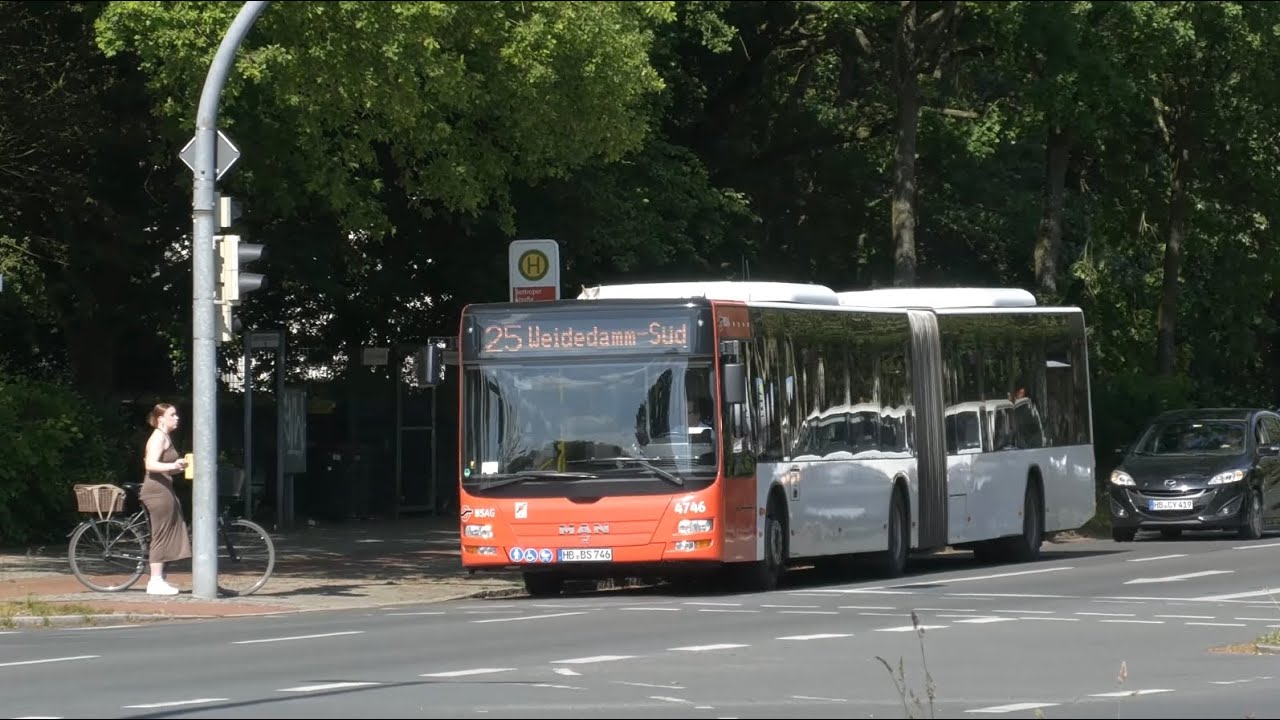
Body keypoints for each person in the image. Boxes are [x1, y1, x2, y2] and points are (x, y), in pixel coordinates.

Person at [140, 403, 192, 596]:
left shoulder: (165, 437)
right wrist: (173, 464)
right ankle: (154, 581)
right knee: (161, 534)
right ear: (161, 419)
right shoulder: (157, 437)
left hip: (165, 488)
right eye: (172, 414)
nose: (177, 417)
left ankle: (160, 578)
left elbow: (164, 466)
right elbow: (151, 465)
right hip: (156, 491)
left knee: (171, 529)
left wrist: (179, 467)